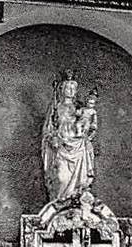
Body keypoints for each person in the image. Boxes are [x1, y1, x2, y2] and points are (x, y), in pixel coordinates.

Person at [41, 71, 97, 202]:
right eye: (68, 88)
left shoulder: (80, 107)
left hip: (78, 147)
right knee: (61, 178)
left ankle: (77, 204)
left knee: (81, 181)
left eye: (73, 88)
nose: (70, 91)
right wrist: (51, 138)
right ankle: (58, 205)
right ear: (62, 89)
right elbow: (49, 128)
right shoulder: (56, 107)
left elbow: (89, 124)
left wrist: (87, 135)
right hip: (61, 147)